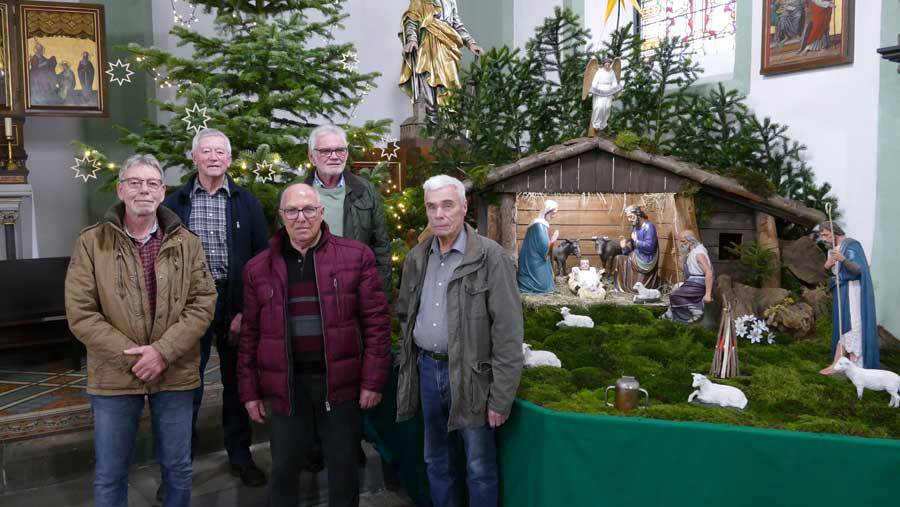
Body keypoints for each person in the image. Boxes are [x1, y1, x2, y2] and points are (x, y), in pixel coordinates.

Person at [65, 154, 216, 507]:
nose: (143, 190)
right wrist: (135, 357)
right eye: (134, 182)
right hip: (114, 373)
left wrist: (162, 351)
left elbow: (203, 301)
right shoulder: (92, 243)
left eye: (151, 183)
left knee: (178, 468)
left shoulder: (187, 242)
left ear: (163, 192)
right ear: (121, 189)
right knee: (110, 472)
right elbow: (81, 313)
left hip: (175, 370)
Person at [237, 183, 391, 507]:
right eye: (292, 210)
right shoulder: (258, 268)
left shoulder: (356, 256)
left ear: (321, 213)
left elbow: (377, 323)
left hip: (341, 382)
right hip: (286, 385)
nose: (301, 217)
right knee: (283, 469)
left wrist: (373, 380)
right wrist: (250, 392)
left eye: (309, 209)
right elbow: (250, 333)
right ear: (281, 216)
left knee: (343, 469)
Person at [396, 175, 524, 507]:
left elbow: (508, 332)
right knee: (435, 460)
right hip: (427, 370)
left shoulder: (490, 258)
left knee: (478, 466)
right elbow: (406, 318)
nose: (438, 214)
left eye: (447, 205)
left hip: (472, 377)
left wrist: (501, 397)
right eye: (431, 206)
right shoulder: (417, 258)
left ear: (464, 206)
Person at [163, 128, 269, 487]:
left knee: (237, 385)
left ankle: (240, 456)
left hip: (234, 303)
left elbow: (260, 261)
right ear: (194, 158)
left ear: (229, 159)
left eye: (220, 152)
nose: (213, 157)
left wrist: (246, 311)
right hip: (188, 308)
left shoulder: (246, 202)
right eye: (205, 151)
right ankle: (179, 468)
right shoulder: (173, 204)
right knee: (185, 386)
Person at [303, 124, 391, 296]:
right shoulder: (297, 192)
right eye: (326, 151)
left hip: (356, 290)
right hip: (311, 291)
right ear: (312, 157)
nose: (334, 156)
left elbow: (381, 248)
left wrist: (379, 296)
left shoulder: (365, 191)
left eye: (340, 150)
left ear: (347, 154)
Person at [399, 0, 484, 120]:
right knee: (427, 81)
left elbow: (457, 23)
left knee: (451, 86)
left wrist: (471, 43)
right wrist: (412, 39)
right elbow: (411, 20)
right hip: (427, 46)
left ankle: (449, 122)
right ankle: (430, 120)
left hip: (447, 46)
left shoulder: (451, 1)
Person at [817, 222, 878, 374]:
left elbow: (859, 270)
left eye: (825, 234)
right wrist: (827, 266)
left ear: (834, 231)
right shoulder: (832, 250)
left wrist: (843, 259)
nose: (823, 238)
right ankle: (839, 363)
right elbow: (832, 274)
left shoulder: (852, 245)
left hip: (854, 290)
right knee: (843, 324)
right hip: (842, 291)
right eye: (822, 235)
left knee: (854, 324)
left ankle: (854, 362)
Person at [662, 231, 714, 323]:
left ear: (691, 241)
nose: (681, 244)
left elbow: (709, 271)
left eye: (683, 241)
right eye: (680, 241)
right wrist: (675, 257)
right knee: (674, 291)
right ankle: (671, 314)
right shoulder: (691, 253)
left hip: (698, 282)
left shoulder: (699, 254)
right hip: (692, 281)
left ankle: (695, 310)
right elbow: (686, 269)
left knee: (675, 295)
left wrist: (708, 293)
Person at [613, 205, 659, 293]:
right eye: (628, 217)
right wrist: (624, 247)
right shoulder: (635, 227)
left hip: (646, 258)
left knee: (625, 258)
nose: (629, 220)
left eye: (631, 217)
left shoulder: (648, 227)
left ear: (638, 214)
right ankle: (622, 288)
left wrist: (636, 241)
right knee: (618, 258)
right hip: (637, 255)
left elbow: (650, 247)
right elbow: (632, 247)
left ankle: (632, 287)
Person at [517, 200, 559, 294]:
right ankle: (533, 287)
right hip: (535, 261)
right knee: (543, 285)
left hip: (533, 258)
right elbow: (544, 250)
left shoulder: (538, 224)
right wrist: (553, 239)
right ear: (547, 212)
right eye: (552, 213)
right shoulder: (539, 225)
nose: (554, 216)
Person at [588, 59, 623, 131]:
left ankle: (603, 123)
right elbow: (595, 81)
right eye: (606, 65)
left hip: (608, 90)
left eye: (608, 65)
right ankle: (596, 124)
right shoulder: (599, 71)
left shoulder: (611, 72)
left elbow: (614, 82)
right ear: (603, 65)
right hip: (600, 90)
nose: (607, 66)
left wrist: (615, 90)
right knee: (599, 107)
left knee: (607, 107)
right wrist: (593, 89)